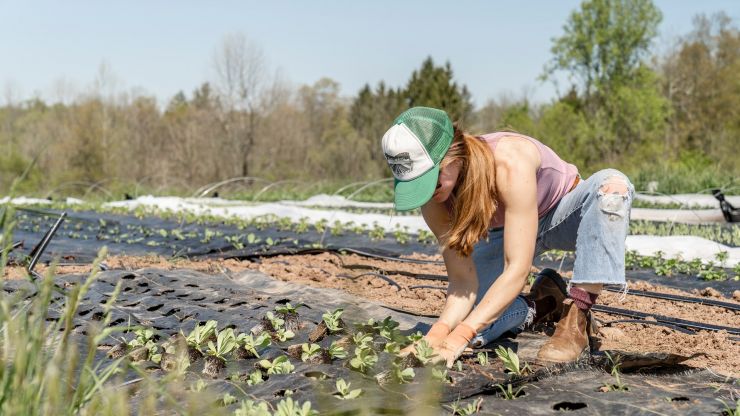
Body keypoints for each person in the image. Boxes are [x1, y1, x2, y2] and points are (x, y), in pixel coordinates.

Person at [382, 107, 634, 367]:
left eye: (431, 182)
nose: (429, 193)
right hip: (506, 231)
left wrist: (459, 337)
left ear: (453, 156)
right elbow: (462, 283)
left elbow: (517, 269)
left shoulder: (508, 160)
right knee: (476, 326)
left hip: (562, 214)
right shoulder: (434, 201)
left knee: (612, 189)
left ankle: (576, 318)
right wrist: (438, 334)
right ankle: (542, 303)